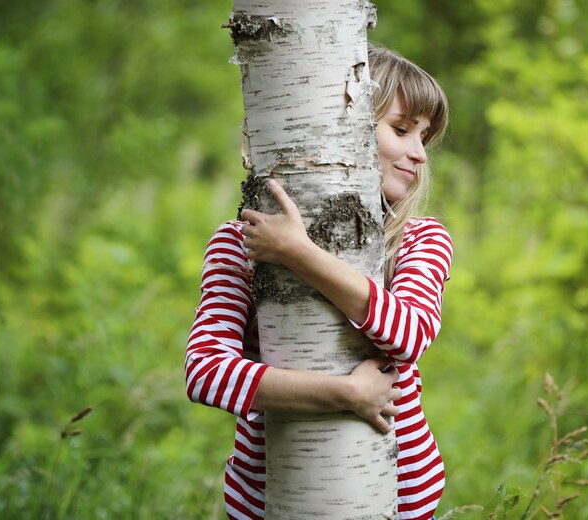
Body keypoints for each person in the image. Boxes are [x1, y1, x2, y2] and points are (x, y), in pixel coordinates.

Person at [185, 43, 452, 520]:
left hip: (400, 497)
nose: (418, 154)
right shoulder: (240, 244)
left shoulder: (420, 239)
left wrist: (300, 255)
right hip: (268, 496)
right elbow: (205, 372)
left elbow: (409, 335)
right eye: (401, 129)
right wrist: (345, 395)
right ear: (348, 128)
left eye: (424, 138)